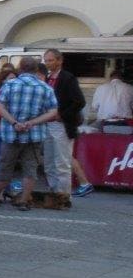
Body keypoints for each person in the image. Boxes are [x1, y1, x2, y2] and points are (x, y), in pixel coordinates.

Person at [0, 56, 57, 211]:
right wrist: (33, 122)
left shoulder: (10, 85)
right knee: (30, 170)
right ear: (36, 69)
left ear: (20, 68)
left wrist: (14, 122)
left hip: (11, 134)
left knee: (4, 167)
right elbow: (53, 111)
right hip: (34, 135)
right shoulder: (45, 88)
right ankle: (23, 201)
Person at [41, 48, 87, 205]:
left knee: (62, 163)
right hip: (48, 124)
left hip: (61, 126)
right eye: (46, 60)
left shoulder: (68, 78)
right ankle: (54, 193)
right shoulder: (47, 79)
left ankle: (64, 196)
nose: (48, 63)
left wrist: (63, 115)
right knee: (48, 163)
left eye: (51, 60)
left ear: (59, 60)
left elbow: (79, 101)